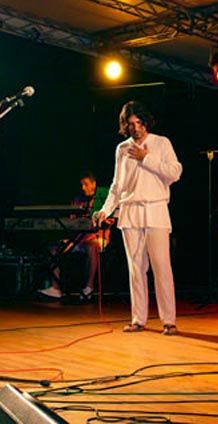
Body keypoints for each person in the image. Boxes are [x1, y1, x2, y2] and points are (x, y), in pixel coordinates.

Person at [94, 101, 182, 336]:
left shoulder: (161, 143)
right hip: (130, 211)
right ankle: (138, 319)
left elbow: (175, 172)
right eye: (130, 124)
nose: (135, 128)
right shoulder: (122, 148)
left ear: (145, 122)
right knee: (136, 268)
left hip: (155, 209)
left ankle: (169, 321)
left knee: (161, 267)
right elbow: (117, 185)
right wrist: (105, 210)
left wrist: (146, 158)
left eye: (139, 122)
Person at [37, 172, 110, 301]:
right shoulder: (77, 200)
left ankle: (89, 287)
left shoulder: (102, 199)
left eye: (86, 184)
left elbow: (110, 221)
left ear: (94, 184)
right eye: (81, 185)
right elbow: (72, 222)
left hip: (97, 237)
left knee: (92, 245)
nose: (83, 188)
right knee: (54, 249)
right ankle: (55, 288)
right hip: (78, 239)